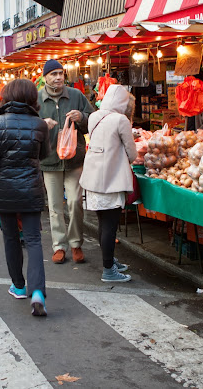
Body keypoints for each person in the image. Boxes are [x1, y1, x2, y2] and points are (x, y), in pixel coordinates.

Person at [0, 79, 50, 316]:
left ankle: (19, 286)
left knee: (10, 238)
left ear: (6, 96)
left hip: (3, 191)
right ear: (32, 97)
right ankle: (38, 291)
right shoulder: (40, 125)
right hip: (31, 188)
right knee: (33, 240)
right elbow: (45, 155)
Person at [38, 59, 95, 264]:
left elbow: (92, 120)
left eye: (61, 73)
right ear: (45, 77)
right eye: (53, 74)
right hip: (49, 159)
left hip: (74, 160)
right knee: (54, 206)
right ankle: (59, 245)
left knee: (75, 202)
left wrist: (81, 116)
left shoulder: (76, 96)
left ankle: (76, 243)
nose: (58, 77)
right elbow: (28, 127)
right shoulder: (37, 99)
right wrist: (41, 125)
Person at [79, 85, 136, 283]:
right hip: (112, 179)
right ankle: (108, 270)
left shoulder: (94, 116)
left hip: (92, 178)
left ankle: (109, 261)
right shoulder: (121, 120)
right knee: (110, 225)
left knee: (103, 223)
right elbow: (132, 152)